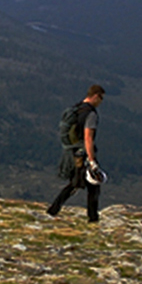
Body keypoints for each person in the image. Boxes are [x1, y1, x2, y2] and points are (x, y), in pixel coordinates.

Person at [47, 85, 105, 223]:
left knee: (75, 184)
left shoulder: (77, 109)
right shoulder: (90, 114)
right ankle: (93, 219)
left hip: (72, 151)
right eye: (101, 98)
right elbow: (88, 138)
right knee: (93, 185)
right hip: (83, 153)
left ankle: (53, 210)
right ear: (96, 96)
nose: (101, 102)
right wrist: (92, 160)